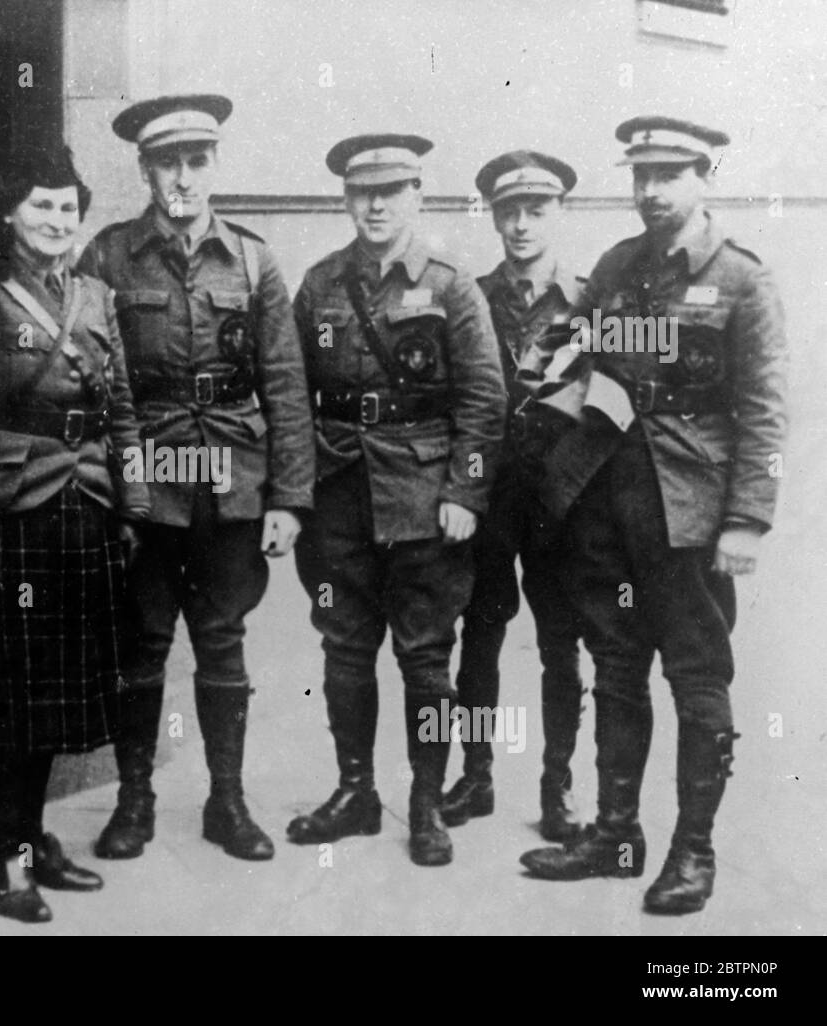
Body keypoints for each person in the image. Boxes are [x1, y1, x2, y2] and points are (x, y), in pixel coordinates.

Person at [519, 117, 788, 915]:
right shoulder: (616, 266)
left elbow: (766, 413)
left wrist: (747, 521)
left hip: (693, 512)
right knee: (616, 667)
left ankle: (693, 852)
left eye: (668, 174)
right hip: (608, 499)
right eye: (640, 175)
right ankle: (614, 835)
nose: (650, 192)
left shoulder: (743, 280)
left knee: (698, 674)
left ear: (705, 174)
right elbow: (585, 353)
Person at [77, 95, 315, 862]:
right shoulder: (108, 257)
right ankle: (134, 802)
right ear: (144, 169)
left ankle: (228, 801)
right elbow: (88, 378)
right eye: (166, 161)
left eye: (196, 160)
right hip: (147, 481)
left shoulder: (251, 258)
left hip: (231, 480)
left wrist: (289, 498)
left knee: (222, 641)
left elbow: (285, 383)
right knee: (142, 644)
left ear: (214, 165)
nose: (182, 176)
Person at [0, 144, 151, 923]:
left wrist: (134, 503)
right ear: (9, 215)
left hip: (85, 503)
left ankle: (30, 837)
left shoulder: (97, 293)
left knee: (59, 690)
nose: (56, 220)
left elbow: (121, 406)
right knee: (11, 694)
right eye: (40, 206)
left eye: (67, 207)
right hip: (14, 509)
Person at [288, 134, 507, 866]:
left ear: (417, 194)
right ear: (346, 199)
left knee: (425, 659)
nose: (375, 205)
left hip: (424, 496)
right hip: (339, 491)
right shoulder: (320, 285)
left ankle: (424, 800)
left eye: (391, 190)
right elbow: (293, 395)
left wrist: (467, 491)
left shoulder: (451, 285)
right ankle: (356, 792)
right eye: (361, 192)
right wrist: (296, 493)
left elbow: (484, 398)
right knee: (345, 649)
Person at [441, 151, 587, 842]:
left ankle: (557, 788)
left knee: (563, 644)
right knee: (480, 636)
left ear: (560, 213)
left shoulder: (590, 303)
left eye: (537, 209)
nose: (522, 224)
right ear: (493, 216)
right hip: (492, 494)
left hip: (560, 503)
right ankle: (475, 776)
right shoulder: (470, 298)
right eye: (510, 211)